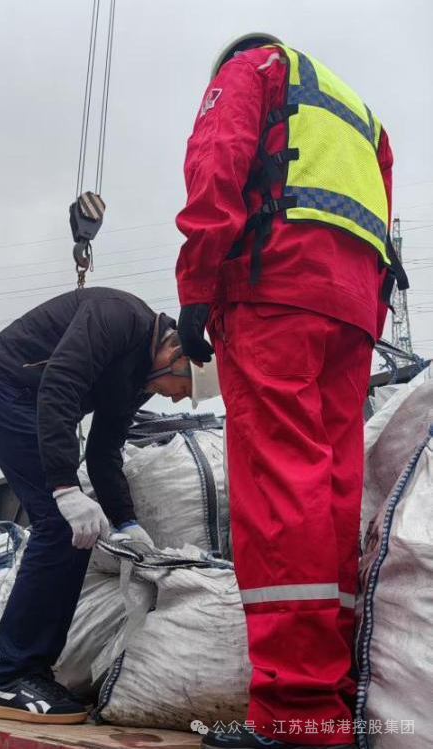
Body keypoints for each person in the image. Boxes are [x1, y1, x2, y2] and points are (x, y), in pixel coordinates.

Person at [175, 34, 408, 749]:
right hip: (351, 311)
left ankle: (293, 711)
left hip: (274, 290)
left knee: (279, 488)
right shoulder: (363, 118)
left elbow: (218, 162)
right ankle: (327, 699)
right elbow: (380, 217)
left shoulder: (253, 68)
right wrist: (365, 312)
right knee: (332, 492)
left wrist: (197, 285)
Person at [0, 286, 218, 723]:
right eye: (184, 388)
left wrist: (126, 522)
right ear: (177, 354)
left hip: (32, 403)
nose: (177, 399)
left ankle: (32, 669)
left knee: (79, 531)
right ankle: (12, 676)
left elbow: (104, 449)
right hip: (1, 390)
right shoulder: (117, 317)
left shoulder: (140, 377)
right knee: (61, 525)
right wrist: (65, 489)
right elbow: (58, 387)